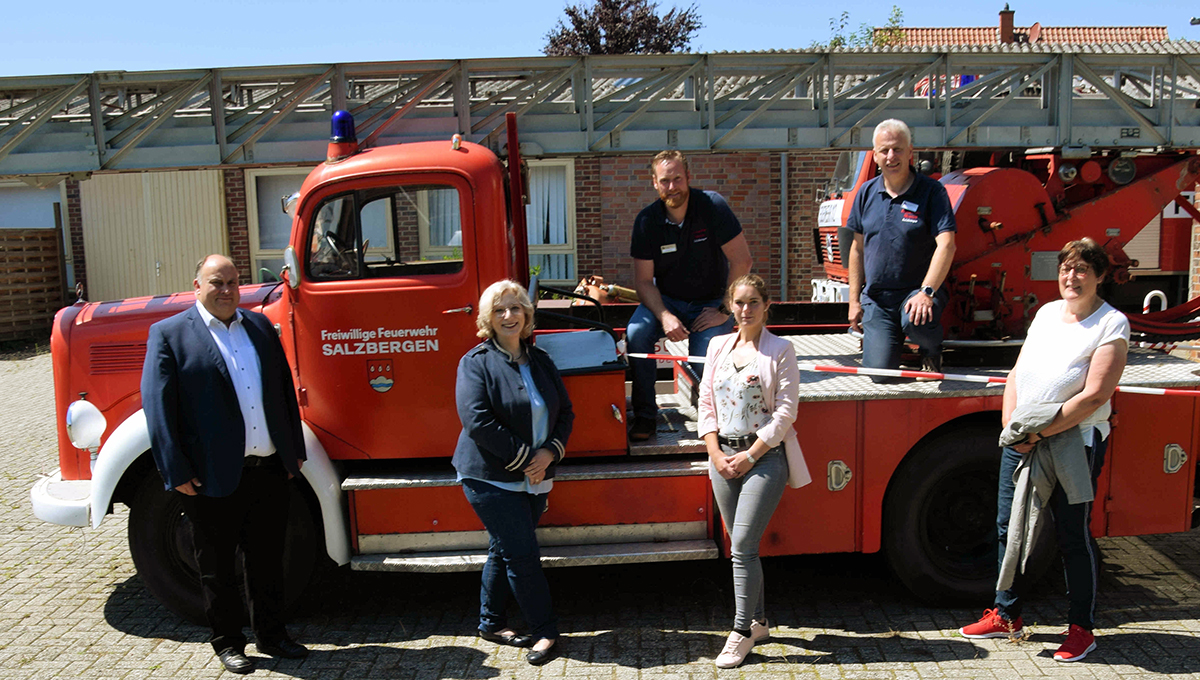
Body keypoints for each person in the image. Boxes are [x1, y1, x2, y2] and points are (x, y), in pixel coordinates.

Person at [959, 238, 1129, 663]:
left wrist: (1040, 432)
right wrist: (1009, 424)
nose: (1072, 278)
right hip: (1024, 437)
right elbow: (1019, 370)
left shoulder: (1111, 325)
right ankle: (1006, 614)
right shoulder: (1046, 313)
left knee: (1072, 535)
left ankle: (1081, 629)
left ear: (1100, 276)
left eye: (1082, 270)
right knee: (1007, 525)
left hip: (1074, 441)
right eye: (1066, 269)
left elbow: (1094, 396)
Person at [141, 254, 308, 675]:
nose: (227, 290)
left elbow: (283, 393)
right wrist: (175, 470)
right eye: (217, 282)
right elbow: (158, 410)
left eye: (233, 282)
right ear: (195, 285)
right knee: (215, 567)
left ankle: (273, 635)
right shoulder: (170, 334)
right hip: (210, 476)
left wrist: (294, 452)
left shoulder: (258, 327)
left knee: (268, 561)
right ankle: (229, 643)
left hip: (268, 469)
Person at [453, 279, 574, 666]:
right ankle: (546, 631)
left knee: (502, 549)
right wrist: (528, 459)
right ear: (488, 318)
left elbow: (566, 413)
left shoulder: (541, 361)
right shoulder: (475, 362)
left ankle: (490, 622)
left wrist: (549, 454)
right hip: (488, 476)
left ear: (527, 315)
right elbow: (477, 422)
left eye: (516, 308)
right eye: (500, 309)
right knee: (522, 554)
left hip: (537, 473)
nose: (509, 315)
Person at [697, 274, 813, 669]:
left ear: (766, 306)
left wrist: (751, 455)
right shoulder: (716, 346)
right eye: (739, 302)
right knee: (743, 548)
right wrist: (714, 452)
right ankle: (760, 621)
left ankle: (741, 631)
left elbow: (785, 411)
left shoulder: (781, 349)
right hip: (723, 458)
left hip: (764, 458)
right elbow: (706, 404)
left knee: (742, 546)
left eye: (753, 303)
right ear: (730, 306)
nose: (745, 310)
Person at [627, 150, 753, 441]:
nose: (672, 187)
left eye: (677, 179)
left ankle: (712, 420)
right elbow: (644, 282)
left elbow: (742, 261)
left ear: (688, 178)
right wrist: (665, 315)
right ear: (654, 184)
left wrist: (724, 308)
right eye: (665, 181)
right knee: (636, 334)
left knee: (704, 360)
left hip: (711, 302)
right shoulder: (647, 221)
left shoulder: (712, 206)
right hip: (666, 300)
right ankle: (646, 416)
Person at [846, 119, 957, 380]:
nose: (891, 156)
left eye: (897, 149)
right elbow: (857, 249)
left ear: (911, 153)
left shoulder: (932, 192)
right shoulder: (865, 192)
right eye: (884, 150)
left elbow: (947, 244)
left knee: (915, 319)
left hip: (917, 293)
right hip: (878, 299)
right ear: (875, 156)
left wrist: (926, 291)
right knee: (880, 376)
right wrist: (853, 301)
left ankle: (930, 349)